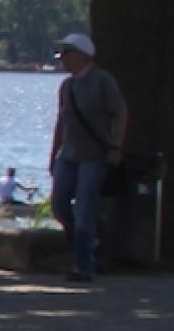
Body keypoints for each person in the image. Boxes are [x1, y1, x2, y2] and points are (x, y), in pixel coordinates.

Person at [49, 33, 129, 282]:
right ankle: (88, 241)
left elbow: (120, 112)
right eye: (61, 54)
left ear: (83, 55)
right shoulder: (67, 86)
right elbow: (61, 121)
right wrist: (54, 153)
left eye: (67, 53)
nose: (63, 59)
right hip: (69, 156)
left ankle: (83, 266)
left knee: (85, 209)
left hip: (93, 157)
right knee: (60, 206)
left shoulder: (102, 80)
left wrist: (116, 145)